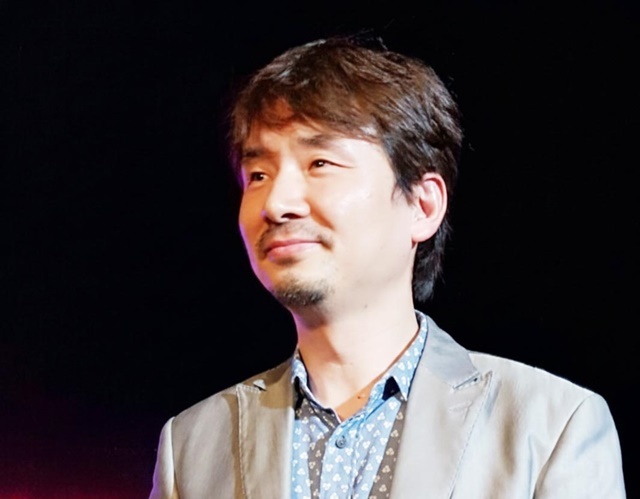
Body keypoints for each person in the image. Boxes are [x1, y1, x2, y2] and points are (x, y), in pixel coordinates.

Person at [148, 35, 626, 498]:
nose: (276, 203)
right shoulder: (192, 445)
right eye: (258, 174)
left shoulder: (550, 426)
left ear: (422, 206)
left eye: (320, 163)